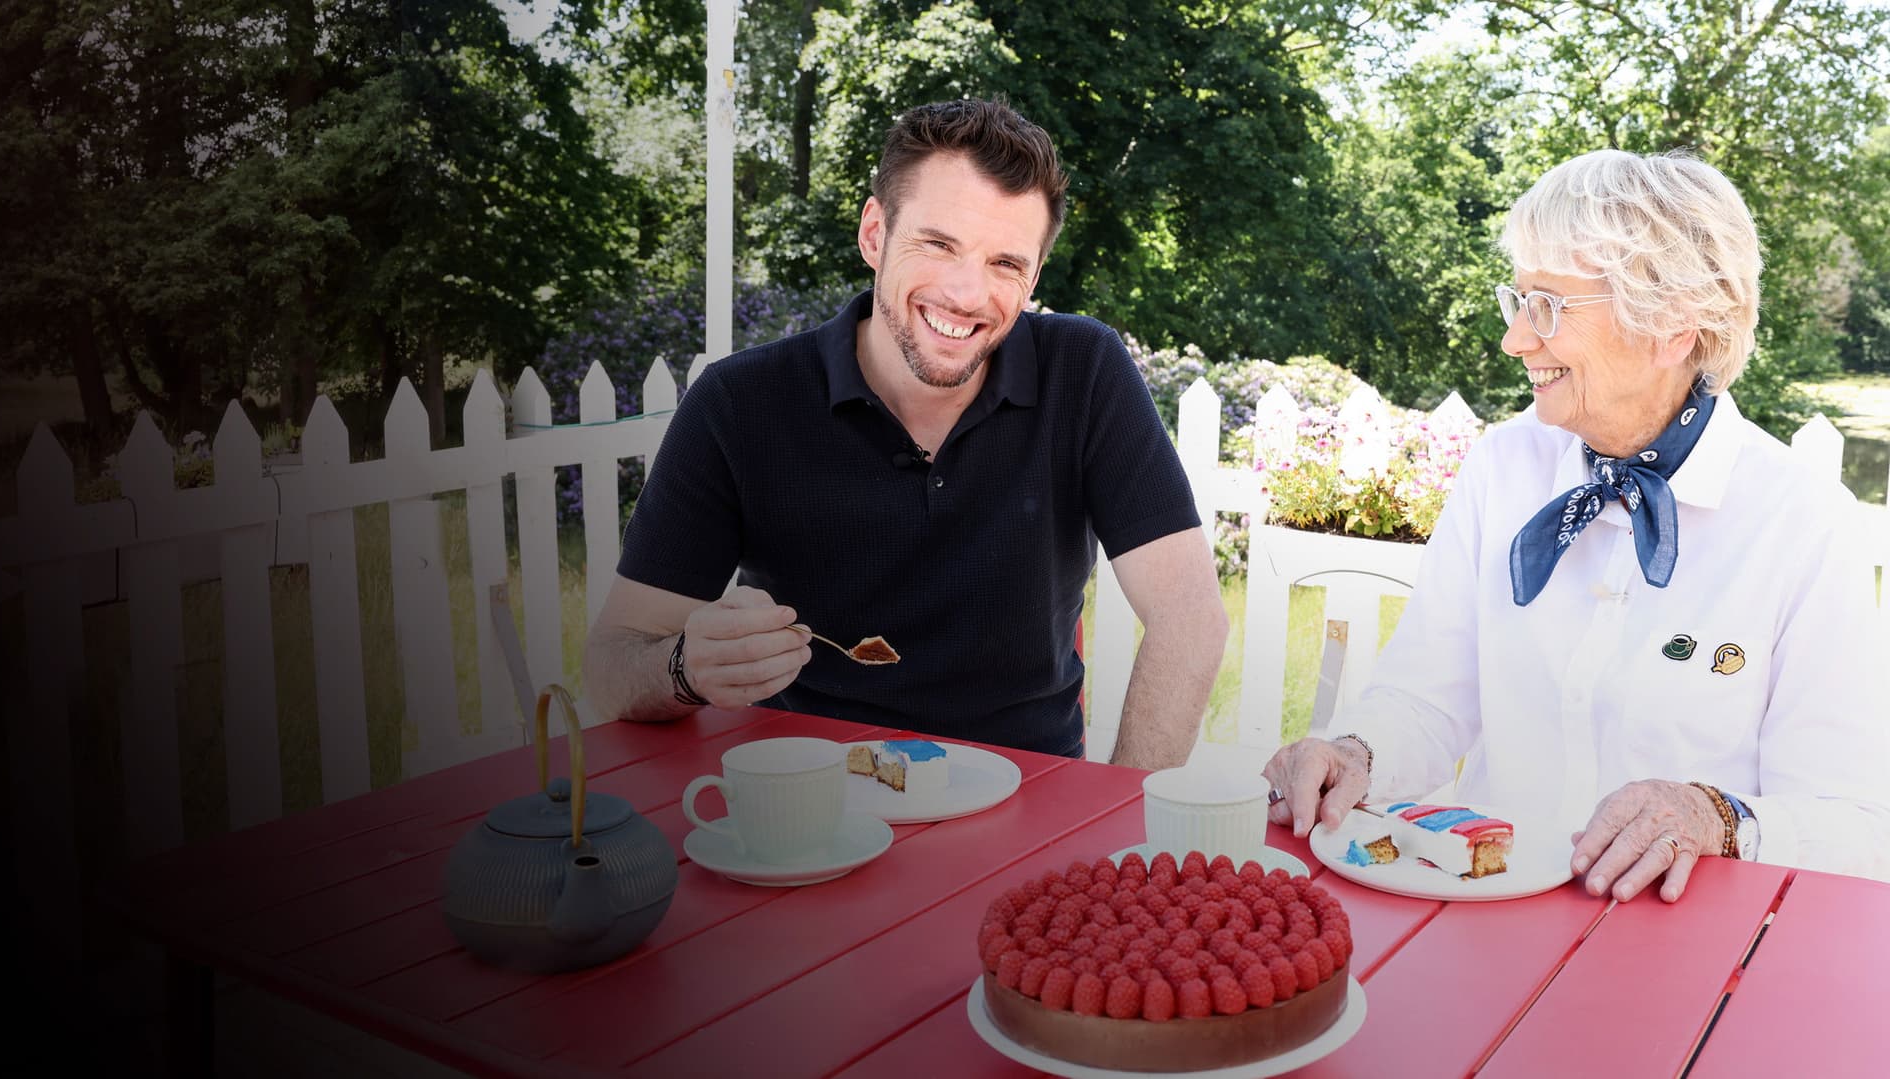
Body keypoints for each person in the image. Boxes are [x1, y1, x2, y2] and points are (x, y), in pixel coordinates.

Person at [1261, 148, 1890, 899]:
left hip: (1694, 958)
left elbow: (1848, 819)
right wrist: (1355, 751)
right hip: (1488, 923)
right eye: (1519, 299)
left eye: (1550, 306)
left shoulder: (1805, 527)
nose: (1516, 340)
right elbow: (1427, 697)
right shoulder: (1502, 468)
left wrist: (1713, 816)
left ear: (1673, 327)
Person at [584, 99, 1228, 768]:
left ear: (1034, 277)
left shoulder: (1085, 371)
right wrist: (684, 668)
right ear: (874, 233)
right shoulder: (739, 403)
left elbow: (1190, 620)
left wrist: (1113, 826)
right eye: (938, 243)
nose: (966, 293)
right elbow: (610, 662)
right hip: (810, 808)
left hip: (1028, 804)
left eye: (1006, 264)